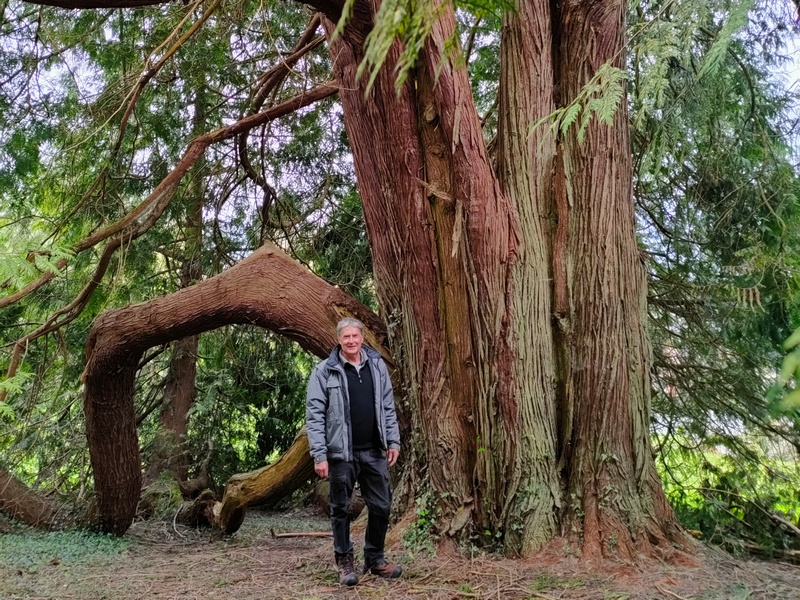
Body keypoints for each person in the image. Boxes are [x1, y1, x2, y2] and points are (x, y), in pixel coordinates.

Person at [306, 317, 402, 587]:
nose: (351, 341)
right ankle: (344, 562)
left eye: (355, 336)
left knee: (381, 506)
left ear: (362, 338)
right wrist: (320, 454)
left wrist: (392, 441)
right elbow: (314, 416)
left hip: (374, 450)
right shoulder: (325, 371)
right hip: (341, 454)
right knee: (340, 509)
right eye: (346, 337)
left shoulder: (376, 366)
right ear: (339, 340)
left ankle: (375, 559)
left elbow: (387, 405)